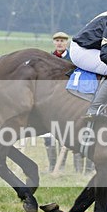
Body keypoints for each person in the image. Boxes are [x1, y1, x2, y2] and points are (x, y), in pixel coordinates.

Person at [45, 31, 93, 173]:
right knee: (52, 137)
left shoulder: (74, 58)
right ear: (54, 42)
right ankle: (55, 167)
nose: (59, 43)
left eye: (62, 40)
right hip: (52, 97)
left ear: (67, 43)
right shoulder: (48, 58)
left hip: (70, 95)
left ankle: (79, 170)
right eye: (57, 40)